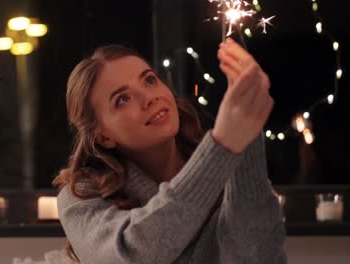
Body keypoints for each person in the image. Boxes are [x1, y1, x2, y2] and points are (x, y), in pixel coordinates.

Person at [53, 38, 287, 263]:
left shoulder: (225, 166)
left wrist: (246, 138)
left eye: (149, 80)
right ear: (103, 136)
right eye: (122, 99)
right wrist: (221, 146)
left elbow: (259, 256)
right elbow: (130, 255)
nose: (149, 97)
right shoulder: (80, 197)